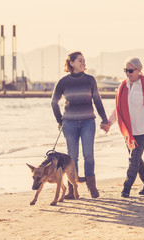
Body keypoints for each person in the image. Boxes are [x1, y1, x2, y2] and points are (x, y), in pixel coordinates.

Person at [51, 51, 110, 198]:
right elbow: (54, 102)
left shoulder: (90, 80)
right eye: (80, 61)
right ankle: (72, 190)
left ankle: (92, 187)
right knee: (73, 157)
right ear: (71, 63)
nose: (83, 63)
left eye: (84, 61)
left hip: (88, 122)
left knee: (88, 155)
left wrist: (104, 119)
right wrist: (60, 121)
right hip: (69, 124)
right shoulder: (63, 82)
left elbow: (97, 100)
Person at [105, 57, 144, 198]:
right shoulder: (123, 87)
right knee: (137, 159)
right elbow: (118, 109)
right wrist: (109, 123)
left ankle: (126, 187)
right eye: (125, 71)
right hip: (128, 132)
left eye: (130, 70)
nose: (128, 74)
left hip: (141, 130)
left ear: (139, 70)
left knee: (133, 159)